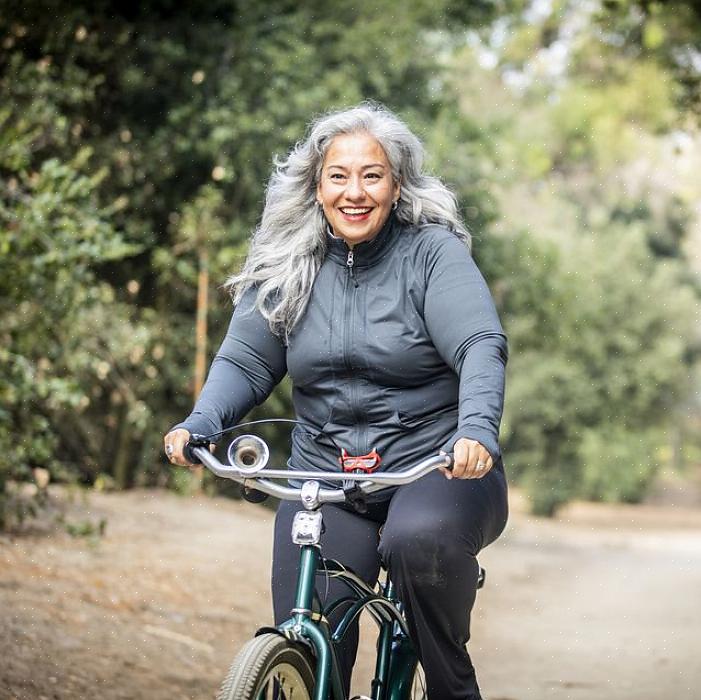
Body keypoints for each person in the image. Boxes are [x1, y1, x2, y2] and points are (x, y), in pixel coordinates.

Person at [164, 102, 508, 700]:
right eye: (339, 176)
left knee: (416, 542)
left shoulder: (432, 255)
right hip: (325, 477)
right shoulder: (288, 262)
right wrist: (200, 424)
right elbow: (246, 360)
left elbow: (480, 344)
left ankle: (452, 686)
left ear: (396, 185)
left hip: (436, 467)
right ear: (316, 185)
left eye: (372, 175)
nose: (355, 191)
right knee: (312, 629)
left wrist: (476, 430)